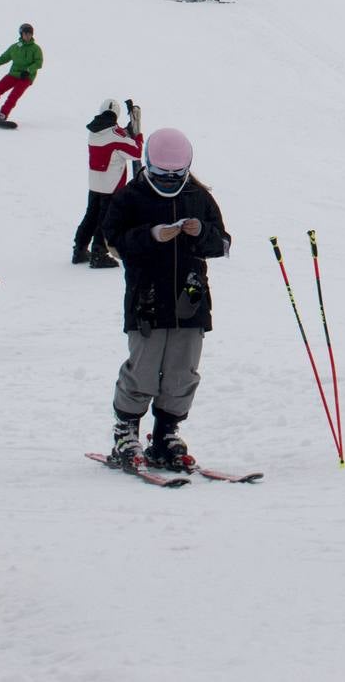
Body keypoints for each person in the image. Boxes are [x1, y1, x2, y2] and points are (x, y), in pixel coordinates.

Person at [100, 128, 232, 472]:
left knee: (181, 372)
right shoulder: (130, 197)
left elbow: (223, 243)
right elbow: (113, 241)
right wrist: (151, 235)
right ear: (148, 166)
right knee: (142, 370)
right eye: (162, 175)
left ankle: (165, 435)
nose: (170, 180)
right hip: (147, 300)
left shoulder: (199, 197)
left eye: (176, 175)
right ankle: (125, 431)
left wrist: (201, 233)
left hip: (190, 300)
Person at [75, 98, 142, 267]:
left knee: (90, 215)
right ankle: (99, 253)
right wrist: (138, 135)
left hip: (94, 182)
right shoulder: (116, 135)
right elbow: (136, 152)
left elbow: (115, 138)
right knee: (105, 219)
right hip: (112, 185)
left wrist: (125, 132)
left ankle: (80, 249)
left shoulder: (93, 131)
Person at [0, 23, 41, 123]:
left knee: (13, 96)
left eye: (29, 34)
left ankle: (3, 114)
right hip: (13, 74)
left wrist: (28, 70)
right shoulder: (15, 47)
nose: (27, 36)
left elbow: (38, 63)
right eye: (25, 33)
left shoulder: (36, 49)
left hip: (26, 77)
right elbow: (4, 58)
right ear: (21, 34)